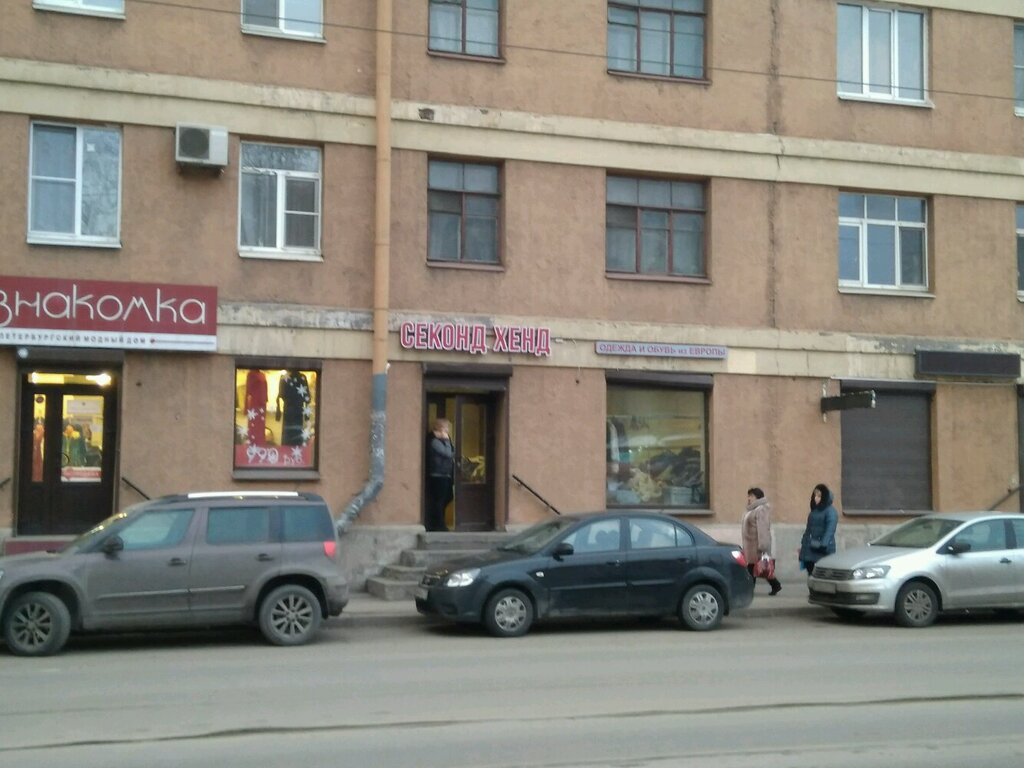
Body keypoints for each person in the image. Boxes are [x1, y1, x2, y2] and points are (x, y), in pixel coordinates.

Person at [742, 487, 782, 596]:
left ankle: (749, 590)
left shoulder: (761, 509)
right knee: (759, 568)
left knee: (753, 568)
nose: (749, 498)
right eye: (748, 496)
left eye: (751, 496)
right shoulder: (752, 510)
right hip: (751, 546)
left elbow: (763, 529)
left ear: (757, 497)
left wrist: (763, 546)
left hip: (757, 546)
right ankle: (776, 585)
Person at [799, 483, 839, 576]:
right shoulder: (814, 511)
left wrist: (823, 545)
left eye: (819, 496)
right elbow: (808, 530)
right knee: (811, 573)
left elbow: (830, 530)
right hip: (810, 548)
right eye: (815, 495)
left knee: (821, 575)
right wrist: (804, 542)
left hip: (821, 549)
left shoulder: (831, 512)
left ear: (824, 497)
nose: (816, 498)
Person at [425, 418, 455, 532]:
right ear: (440, 428)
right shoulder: (435, 441)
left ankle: (438, 522)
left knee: (448, 497)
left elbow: (453, 452)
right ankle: (439, 525)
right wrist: (447, 441)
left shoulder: (442, 440)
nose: (447, 430)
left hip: (446, 474)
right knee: (439, 500)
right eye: (446, 428)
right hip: (438, 475)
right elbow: (447, 454)